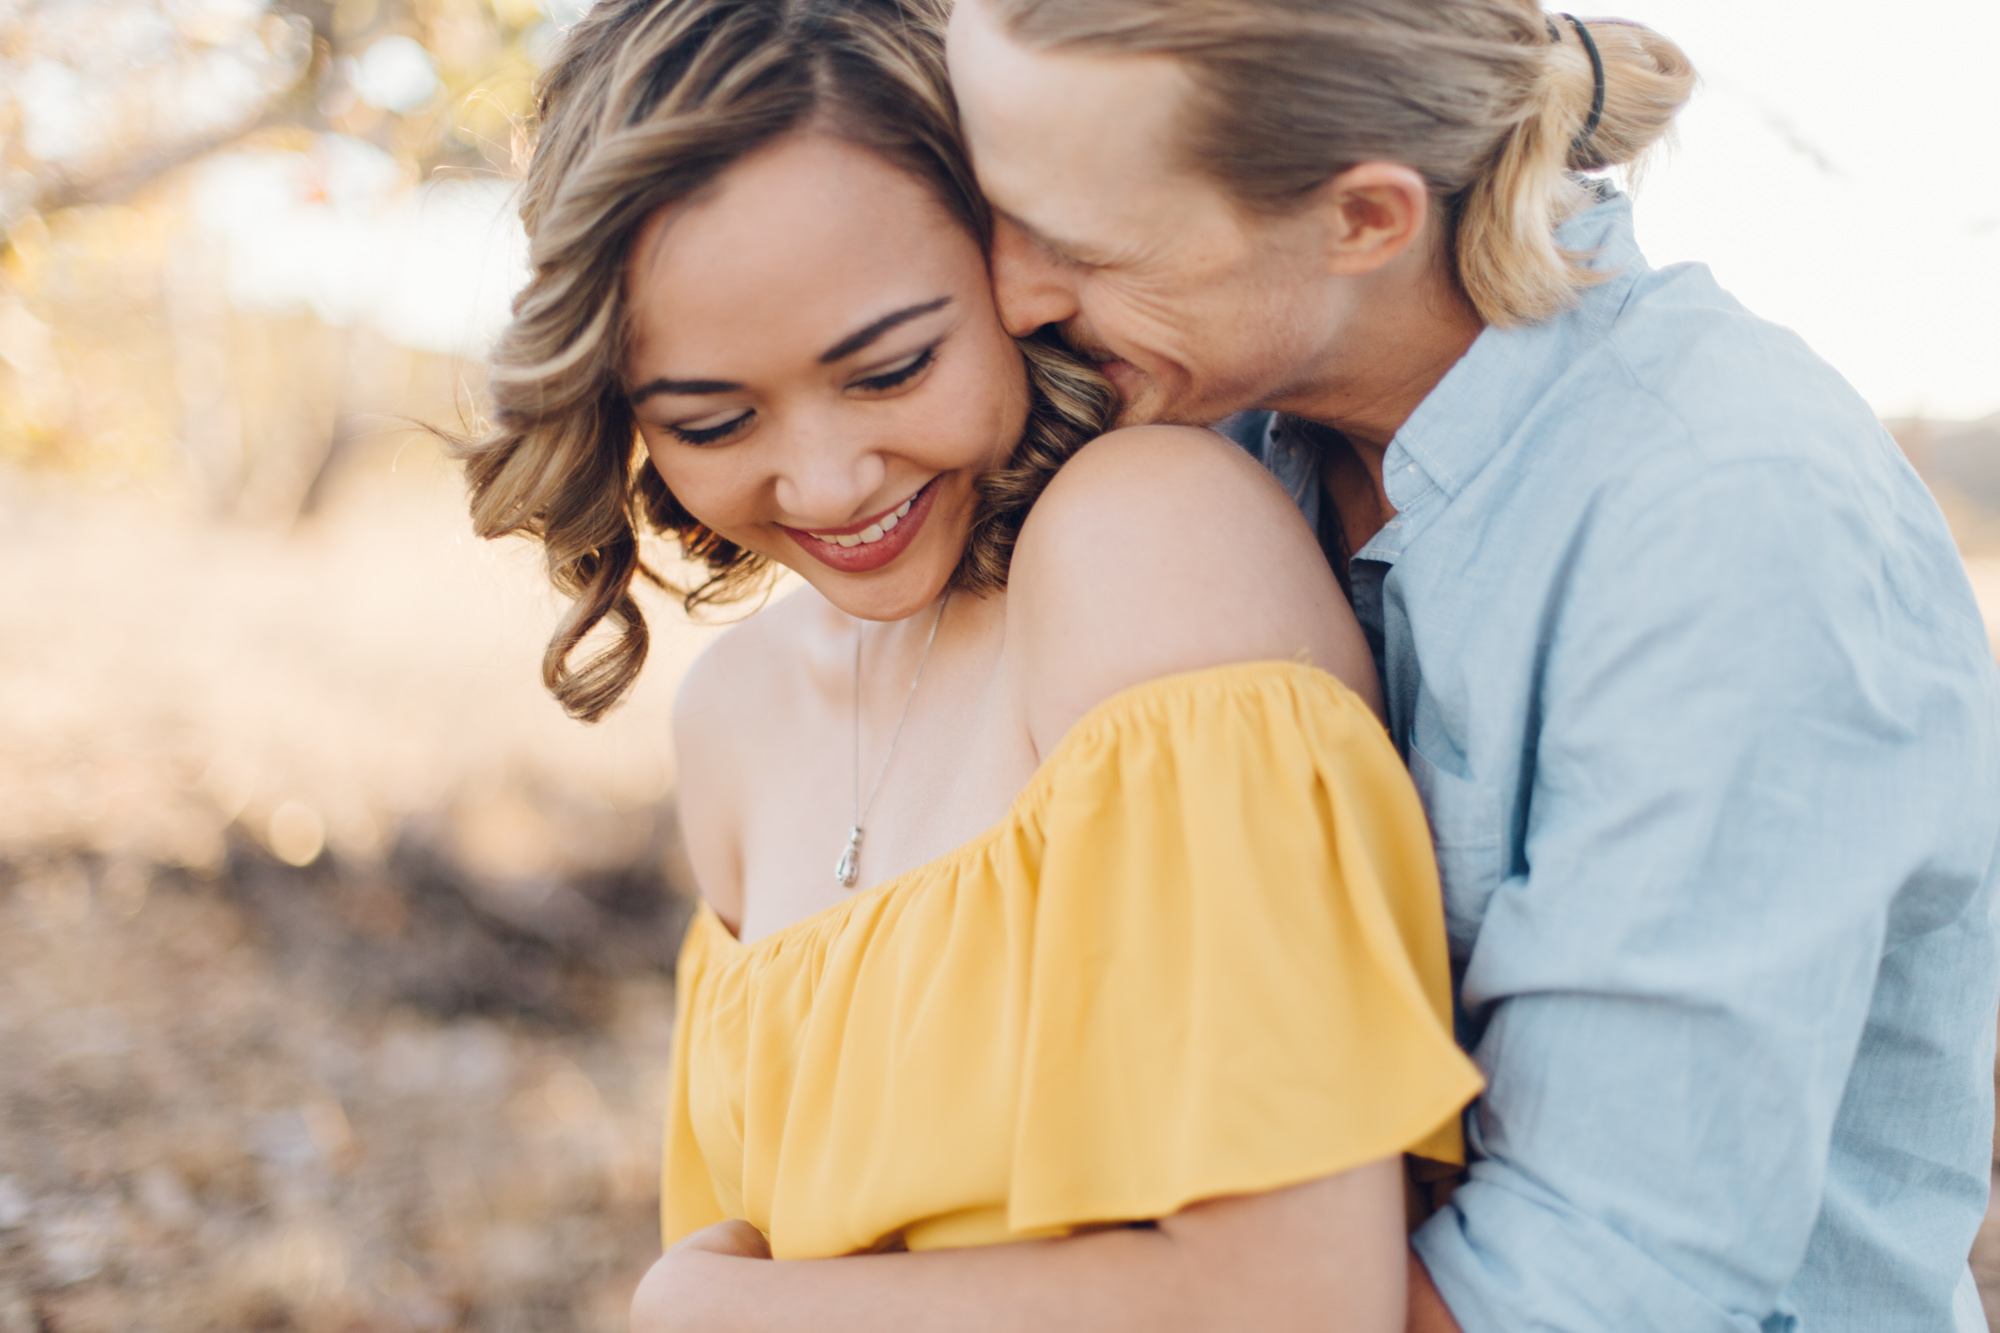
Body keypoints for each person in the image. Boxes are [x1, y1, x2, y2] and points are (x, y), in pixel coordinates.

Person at [942, 2, 2000, 1331]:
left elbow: (1593, 1291)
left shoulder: (1729, 519)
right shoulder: (1222, 431)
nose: (1018, 293)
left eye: (1084, 247)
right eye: (998, 213)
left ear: (1366, 221)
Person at [458, 0, 1483, 1329]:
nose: (827, 481)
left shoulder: (1145, 549)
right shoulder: (735, 721)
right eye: (713, 417)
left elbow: (1300, 1296)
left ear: (1013, 261)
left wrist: (713, 1314)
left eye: (892, 368)